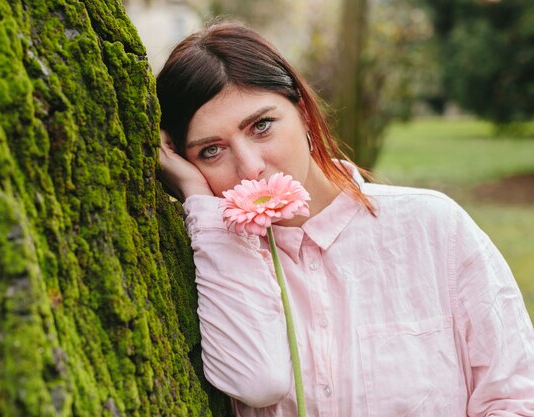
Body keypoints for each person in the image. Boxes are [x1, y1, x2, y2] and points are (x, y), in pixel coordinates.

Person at [156, 20, 534, 417]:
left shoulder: (433, 227)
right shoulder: (207, 264)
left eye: (262, 126)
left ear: (302, 112)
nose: (251, 167)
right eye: (210, 152)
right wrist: (201, 201)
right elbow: (257, 382)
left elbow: (516, 397)